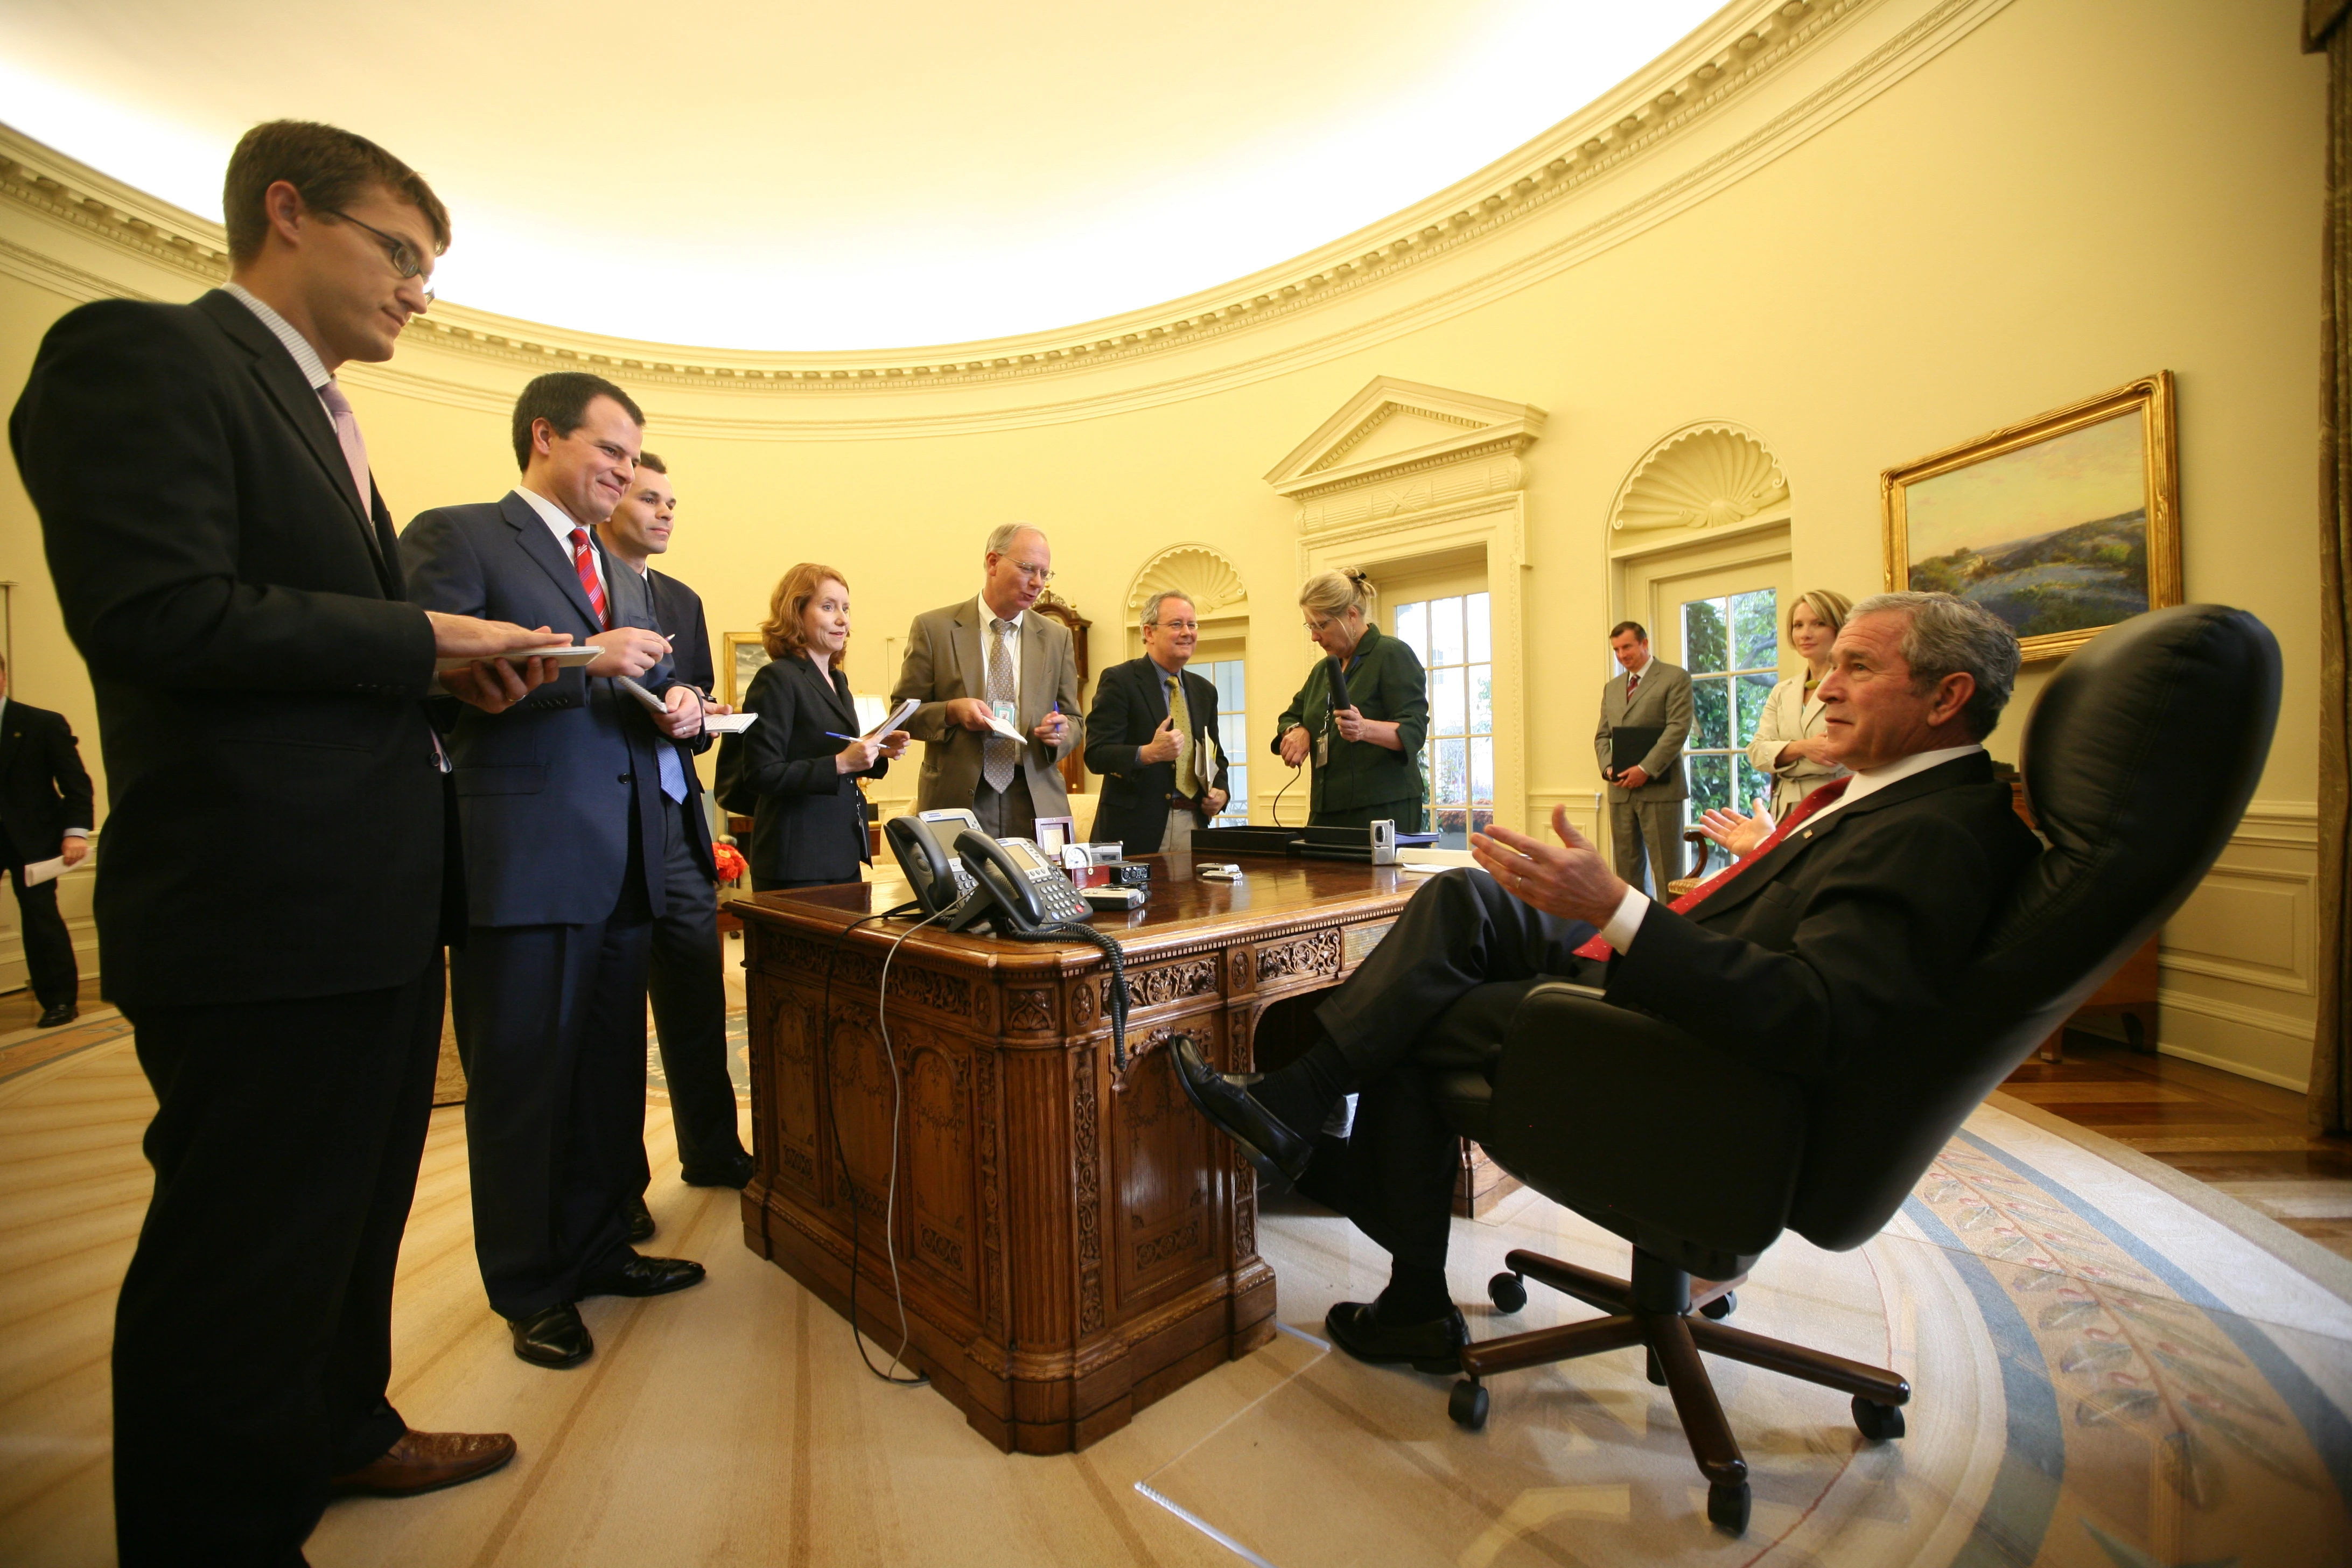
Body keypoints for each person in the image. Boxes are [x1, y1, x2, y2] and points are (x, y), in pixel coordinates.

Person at [10, 119, 559, 1564]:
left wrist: (439, 670)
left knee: (350, 1219)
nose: (420, 292)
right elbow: (158, 616)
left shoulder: (325, 419)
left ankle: (342, 1428)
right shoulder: (142, 353)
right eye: (401, 253)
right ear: (287, 211)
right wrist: (421, 632)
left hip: (367, 906)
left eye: (433, 270)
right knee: (240, 1261)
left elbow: (319, 648)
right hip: (258, 910)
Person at [1174, 592, 2039, 1371]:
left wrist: (1623, 912)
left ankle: (1399, 1274)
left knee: (1425, 1014)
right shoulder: (1893, 798)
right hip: (1679, 982)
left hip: (1689, 1045)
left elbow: (1809, 1014)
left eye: (1857, 666)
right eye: (1833, 664)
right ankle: (1303, 1106)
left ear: (1947, 696)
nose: (1827, 687)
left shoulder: (1939, 832)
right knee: (1464, 900)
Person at [401, 372, 714, 1373]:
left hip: (628, 856)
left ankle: (595, 1247)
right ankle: (529, 1284)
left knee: (605, 1076)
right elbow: (434, 673)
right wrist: (590, 656)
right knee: (525, 1081)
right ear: (543, 435)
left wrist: (677, 704)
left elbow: (634, 686)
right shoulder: (459, 535)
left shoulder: (617, 573)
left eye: (635, 457)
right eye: (611, 450)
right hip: (525, 859)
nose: (626, 472)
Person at [596, 452, 754, 1224]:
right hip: (605, 820)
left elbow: (698, 711)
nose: (664, 513)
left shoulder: (681, 599)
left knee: (695, 993)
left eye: (672, 502)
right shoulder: (579, 580)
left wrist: (696, 709)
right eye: (649, 498)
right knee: (615, 1017)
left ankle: (713, 1149)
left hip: (677, 818)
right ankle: (619, 1191)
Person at [890, 524, 1081, 840]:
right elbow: (902, 713)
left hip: (1034, 798)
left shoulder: (1057, 637)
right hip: (960, 797)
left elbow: (1074, 719)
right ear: (993, 562)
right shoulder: (934, 629)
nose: (1038, 583)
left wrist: (1061, 732)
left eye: (1045, 574)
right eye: (1028, 569)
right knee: (961, 891)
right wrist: (951, 711)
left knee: (1042, 891)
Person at [723, 563, 907, 890]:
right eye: (828, 607)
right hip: (796, 862)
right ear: (796, 613)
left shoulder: (838, 679)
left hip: (843, 854)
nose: (843, 619)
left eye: (846, 608)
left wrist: (876, 749)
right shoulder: (778, 678)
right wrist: (841, 763)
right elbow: (761, 773)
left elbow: (832, 752)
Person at [1271, 568, 1427, 830]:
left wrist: (1365, 729)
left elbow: (1414, 730)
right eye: (1310, 626)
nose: (1314, 636)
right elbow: (1292, 716)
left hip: (1382, 810)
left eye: (1322, 625)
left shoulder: (1391, 654)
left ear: (1351, 616)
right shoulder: (1324, 670)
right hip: (1326, 809)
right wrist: (1297, 731)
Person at [1083, 590, 1230, 855]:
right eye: (1176, 624)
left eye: (1192, 624)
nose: (1187, 632)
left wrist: (1222, 790)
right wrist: (1147, 754)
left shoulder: (1205, 691)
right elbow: (1096, 755)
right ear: (1149, 633)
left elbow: (1216, 756)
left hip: (1193, 825)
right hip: (1135, 830)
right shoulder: (1120, 681)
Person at [0, 654, 95, 1025]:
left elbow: (76, 784)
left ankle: (59, 1001)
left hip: (34, 839)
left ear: (4, 677)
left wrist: (74, 834)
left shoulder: (40, 723)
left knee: (41, 920)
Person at [1594, 621, 1691, 893]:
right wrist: (1608, 768)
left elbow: (1678, 729)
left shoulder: (1675, 678)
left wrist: (1646, 769)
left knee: (1668, 875)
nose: (1622, 654)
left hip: (1660, 789)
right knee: (1626, 874)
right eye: (1616, 649)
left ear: (1644, 644)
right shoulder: (1612, 688)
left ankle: (1673, 933)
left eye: (1627, 647)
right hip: (1620, 791)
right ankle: (1635, 933)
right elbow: (1602, 736)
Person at [1745, 589, 1853, 822]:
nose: (1805, 634)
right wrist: (1804, 748)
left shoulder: (1854, 684)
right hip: (1785, 810)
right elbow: (1756, 753)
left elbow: (1833, 761)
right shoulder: (1782, 691)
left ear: (1841, 627)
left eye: (1818, 624)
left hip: (1838, 804)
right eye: (1798, 625)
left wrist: (1781, 756)